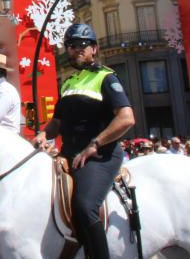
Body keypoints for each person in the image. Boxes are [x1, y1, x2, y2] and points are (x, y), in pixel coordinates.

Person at [33, 24, 135, 259]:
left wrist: (95, 144)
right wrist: (42, 135)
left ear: (94, 49)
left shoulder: (106, 77)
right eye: (71, 45)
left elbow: (126, 117)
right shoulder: (68, 83)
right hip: (68, 155)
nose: (76, 49)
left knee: (84, 206)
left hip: (100, 157)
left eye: (82, 44)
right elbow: (57, 122)